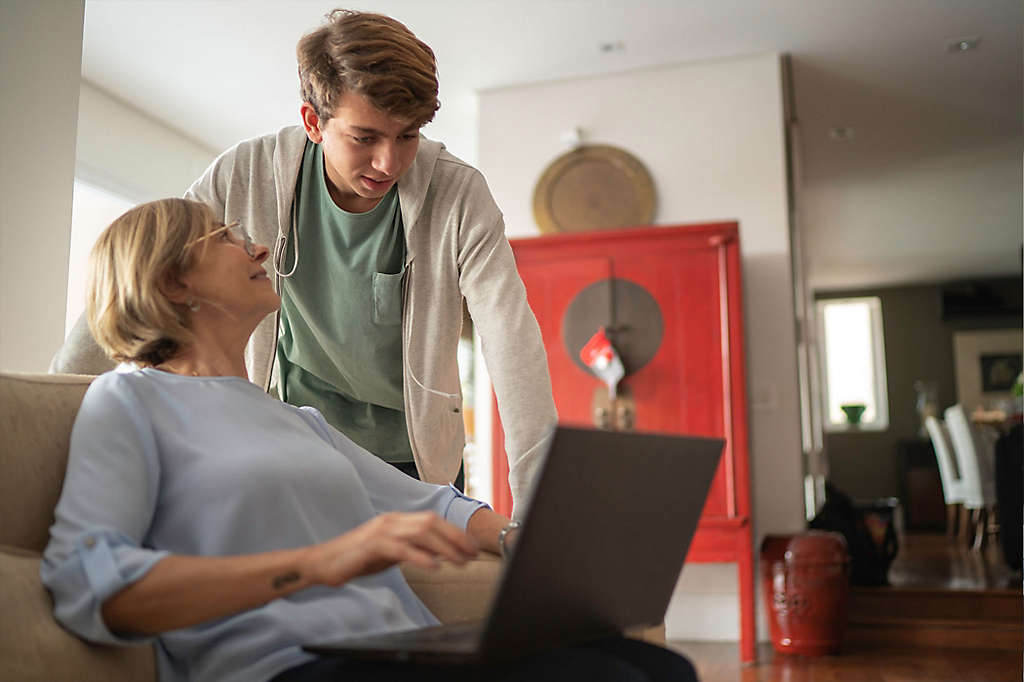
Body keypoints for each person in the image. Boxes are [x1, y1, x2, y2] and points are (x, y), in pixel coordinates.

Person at [41, 198, 697, 682]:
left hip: (395, 648)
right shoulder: (128, 400)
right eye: (228, 238)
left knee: (648, 667)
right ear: (172, 281)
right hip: (283, 669)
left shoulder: (299, 420)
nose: (259, 249)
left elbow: (436, 505)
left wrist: (517, 540)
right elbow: (95, 588)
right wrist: (325, 560)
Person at [51, 9, 556, 516]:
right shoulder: (244, 174)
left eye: (408, 135)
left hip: (415, 459)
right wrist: (49, 409)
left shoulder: (458, 193)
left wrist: (538, 507)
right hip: (293, 443)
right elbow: (146, 268)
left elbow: (512, 339)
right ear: (314, 122)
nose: (389, 162)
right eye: (365, 137)